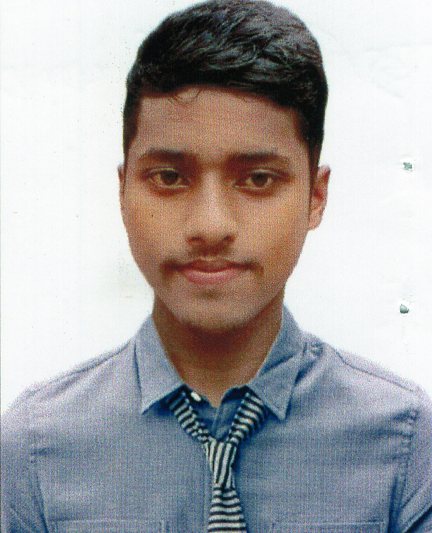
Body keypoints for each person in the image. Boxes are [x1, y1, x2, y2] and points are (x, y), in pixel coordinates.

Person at [2, 0, 431, 531]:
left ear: (315, 198)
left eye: (257, 179)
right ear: (123, 191)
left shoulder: (406, 443)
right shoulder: (34, 450)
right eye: (169, 177)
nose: (210, 225)